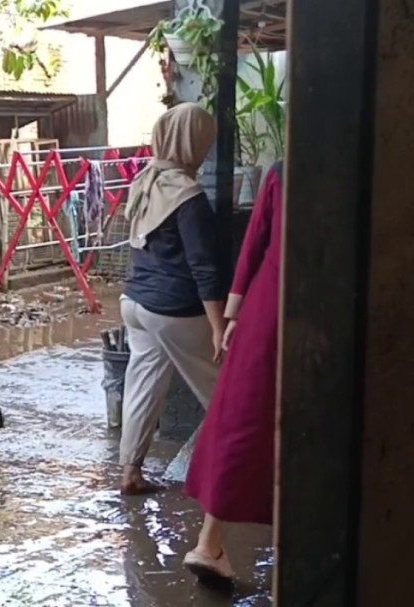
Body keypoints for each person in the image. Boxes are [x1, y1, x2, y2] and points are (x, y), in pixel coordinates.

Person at [183, 162, 284, 582]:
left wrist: (233, 316)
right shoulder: (376, 164)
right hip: (335, 302)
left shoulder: (283, 171)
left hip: (269, 306)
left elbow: (256, 241)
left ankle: (209, 542)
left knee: (242, 417)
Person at [118, 103, 226, 495]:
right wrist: (219, 327)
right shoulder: (188, 196)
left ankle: (130, 472)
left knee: (143, 388)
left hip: (136, 304)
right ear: (193, 142)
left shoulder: (146, 180)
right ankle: (236, 477)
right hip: (174, 309)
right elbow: (204, 268)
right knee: (228, 391)